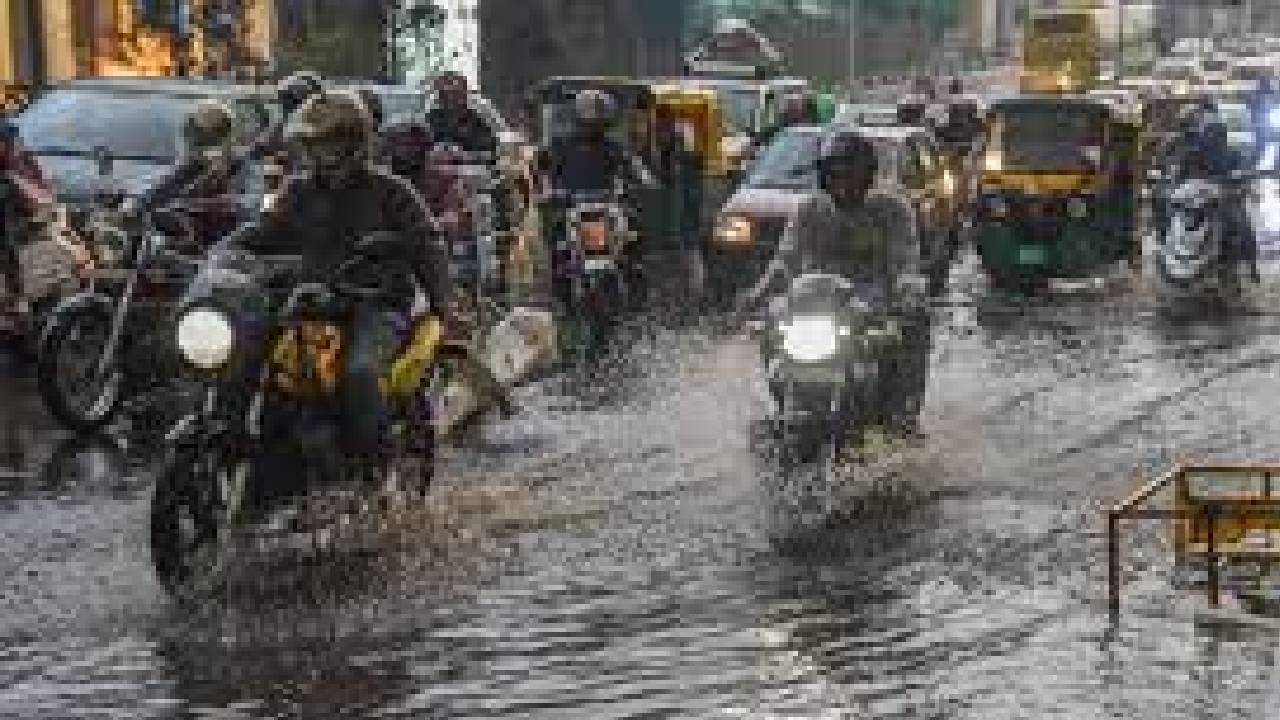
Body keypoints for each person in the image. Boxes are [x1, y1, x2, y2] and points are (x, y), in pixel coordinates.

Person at [225, 90, 456, 461]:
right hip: (308, 302)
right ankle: (246, 449)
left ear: (354, 143)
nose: (320, 154)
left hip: (374, 305)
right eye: (313, 146)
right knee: (250, 358)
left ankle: (373, 472)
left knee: (361, 374)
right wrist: (220, 255)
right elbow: (262, 229)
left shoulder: (390, 191)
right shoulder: (298, 190)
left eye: (328, 145)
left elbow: (428, 246)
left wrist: (444, 305)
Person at [737, 129, 929, 433]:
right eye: (833, 173)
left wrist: (908, 291)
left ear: (867, 175)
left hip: (872, 306)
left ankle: (901, 413)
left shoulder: (892, 210)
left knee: (915, 324)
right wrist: (758, 293)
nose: (841, 182)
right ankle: (782, 400)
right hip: (816, 305)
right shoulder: (808, 211)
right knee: (771, 326)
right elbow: (784, 261)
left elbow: (905, 260)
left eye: (849, 173)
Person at [535, 89, 656, 307]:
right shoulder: (561, 146)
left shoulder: (614, 148)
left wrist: (641, 181)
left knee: (635, 231)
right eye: (589, 116)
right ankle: (560, 294)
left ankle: (638, 287)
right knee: (557, 240)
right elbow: (541, 169)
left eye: (598, 117)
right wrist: (546, 190)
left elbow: (633, 169)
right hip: (571, 207)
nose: (592, 122)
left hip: (608, 208)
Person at [123, 100, 247, 247]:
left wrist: (184, 207)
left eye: (197, 133)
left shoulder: (239, 166)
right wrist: (135, 204)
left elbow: (238, 206)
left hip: (214, 248)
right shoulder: (192, 165)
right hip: (178, 242)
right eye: (190, 132)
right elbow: (161, 189)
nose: (191, 139)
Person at [1172, 107, 1258, 283]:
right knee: (1176, 220)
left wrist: (1241, 186)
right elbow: (1180, 177)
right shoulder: (1192, 154)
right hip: (1199, 201)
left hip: (1225, 198)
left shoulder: (1234, 155)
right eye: (1211, 134)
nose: (1214, 138)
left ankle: (1252, 266)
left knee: (1243, 225)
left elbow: (1244, 176)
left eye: (1218, 134)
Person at [424, 72, 497, 155]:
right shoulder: (430, 119)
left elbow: (489, 152)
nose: (449, 98)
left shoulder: (480, 121)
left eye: (454, 93)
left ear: (465, 94)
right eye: (442, 93)